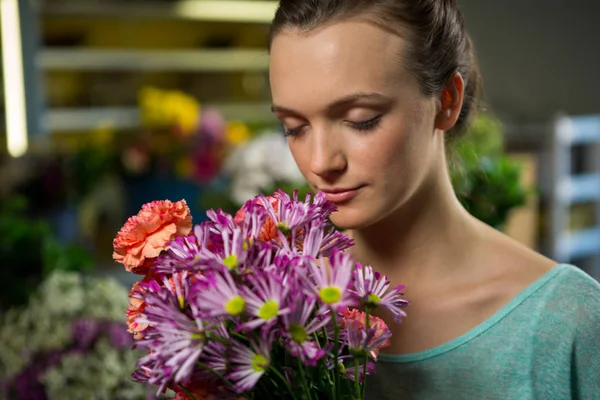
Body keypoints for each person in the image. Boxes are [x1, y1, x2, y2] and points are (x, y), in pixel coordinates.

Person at [267, 1, 600, 399]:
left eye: (361, 119)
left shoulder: (567, 324)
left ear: (446, 101)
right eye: (294, 127)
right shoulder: (269, 306)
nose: (321, 161)